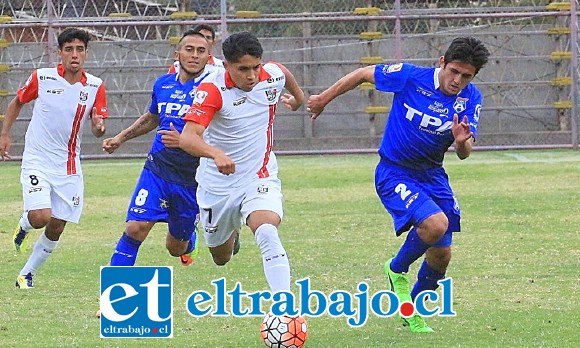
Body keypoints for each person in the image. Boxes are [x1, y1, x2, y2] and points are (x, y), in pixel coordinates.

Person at [307, 37, 490, 332]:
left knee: (442, 255)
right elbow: (362, 74)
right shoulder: (410, 77)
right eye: (453, 71)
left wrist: (461, 143)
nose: (457, 80)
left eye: (466, 76)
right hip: (395, 172)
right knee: (435, 224)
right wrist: (323, 99)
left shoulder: (471, 99)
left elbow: (465, 152)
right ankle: (396, 269)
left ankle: (411, 310)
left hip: (432, 175)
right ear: (441, 62)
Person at [179, 31, 304, 294]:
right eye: (243, 69)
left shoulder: (272, 75)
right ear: (227, 66)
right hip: (218, 185)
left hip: (259, 175)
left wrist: (298, 99)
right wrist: (215, 153)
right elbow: (188, 138)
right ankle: (230, 235)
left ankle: (285, 307)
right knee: (221, 257)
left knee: (267, 229)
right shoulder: (212, 90)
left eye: (255, 67)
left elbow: (284, 74)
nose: (251, 75)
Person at [0, 28, 108, 288]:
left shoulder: (95, 86)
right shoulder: (42, 77)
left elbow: (97, 127)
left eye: (79, 50)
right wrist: (5, 134)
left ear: (86, 54)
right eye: (69, 49)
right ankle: (25, 225)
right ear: (59, 53)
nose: (74, 55)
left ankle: (26, 274)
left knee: (57, 225)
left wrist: (98, 126)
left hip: (69, 166)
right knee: (40, 216)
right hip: (37, 159)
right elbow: (17, 103)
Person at [102, 30, 218, 267]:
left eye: (201, 51)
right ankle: (112, 301)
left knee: (175, 248)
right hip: (158, 168)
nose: (194, 55)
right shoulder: (163, 83)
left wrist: (186, 141)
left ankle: (189, 239)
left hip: (192, 178)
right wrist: (121, 138)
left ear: (209, 57)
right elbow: (153, 117)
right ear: (178, 54)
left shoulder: (215, 88)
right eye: (189, 49)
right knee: (135, 228)